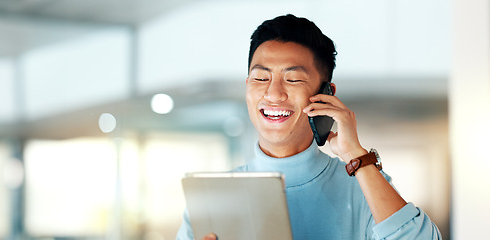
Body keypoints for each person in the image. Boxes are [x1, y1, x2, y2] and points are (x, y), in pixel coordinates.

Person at [176, 14, 442, 239]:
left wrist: (356, 155)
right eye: (260, 77)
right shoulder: (211, 200)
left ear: (326, 94)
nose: (274, 93)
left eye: (293, 79)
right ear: (248, 87)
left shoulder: (364, 185)